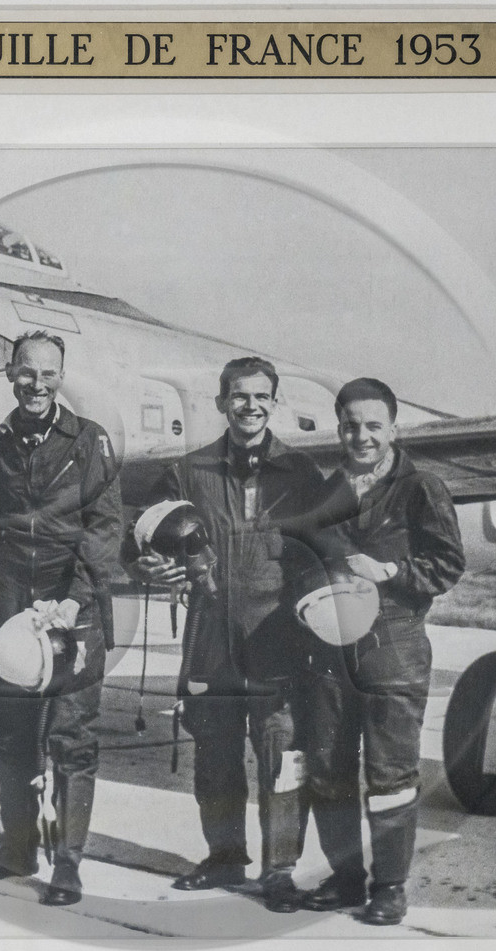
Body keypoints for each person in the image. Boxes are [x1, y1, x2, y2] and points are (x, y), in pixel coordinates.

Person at [130, 357, 325, 913]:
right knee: (214, 754)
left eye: (261, 396)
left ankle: (281, 869)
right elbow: (141, 537)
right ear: (221, 402)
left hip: (279, 638)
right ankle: (224, 855)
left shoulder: (303, 476)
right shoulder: (189, 471)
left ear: (274, 402)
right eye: (239, 396)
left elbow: (323, 553)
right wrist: (149, 567)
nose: (251, 406)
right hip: (210, 636)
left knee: (281, 755)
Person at [0, 330, 123, 906]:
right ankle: (16, 848)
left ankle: (68, 863)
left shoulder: (90, 442)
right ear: (10, 375)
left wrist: (76, 600)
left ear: (61, 377)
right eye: (27, 372)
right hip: (10, 607)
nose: (37, 383)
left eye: (48, 373)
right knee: (14, 738)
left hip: (72, 607)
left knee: (72, 737)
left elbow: (105, 530)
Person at [294, 377, 465, 925]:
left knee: (390, 773)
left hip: (394, 647)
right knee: (327, 768)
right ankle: (345, 879)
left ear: (393, 428)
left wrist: (391, 572)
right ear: (338, 427)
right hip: (329, 649)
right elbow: (301, 559)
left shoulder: (421, 489)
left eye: (373, 425)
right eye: (350, 425)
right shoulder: (326, 492)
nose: (361, 436)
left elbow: (447, 565)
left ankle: (389, 886)